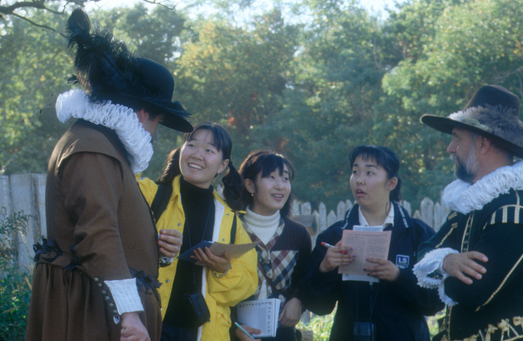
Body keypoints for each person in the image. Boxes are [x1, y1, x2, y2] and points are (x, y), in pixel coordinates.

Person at [26, 9, 192, 341]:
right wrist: (129, 314)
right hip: (92, 312)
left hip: (101, 306)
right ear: (143, 113)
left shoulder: (102, 145)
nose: (155, 133)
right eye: (157, 123)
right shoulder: (91, 147)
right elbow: (98, 233)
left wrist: (152, 245)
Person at [413, 85, 523, 341]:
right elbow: (423, 250)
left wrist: (437, 266)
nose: (450, 148)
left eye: (457, 138)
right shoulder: (471, 203)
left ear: (484, 143)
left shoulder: (517, 210)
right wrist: (446, 261)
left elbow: (473, 295)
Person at [300, 145, 444, 341]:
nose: (359, 180)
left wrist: (398, 277)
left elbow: (435, 302)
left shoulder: (419, 235)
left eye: (369, 172)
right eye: (355, 172)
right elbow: (318, 306)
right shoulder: (333, 236)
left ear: (391, 183)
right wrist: (325, 268)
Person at [138, 122, 258, 341]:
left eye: (209, 150)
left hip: (205, 333)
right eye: (191, 145)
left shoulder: (229, 219)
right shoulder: (151, 195)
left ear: (222, 165)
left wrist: (223, 269)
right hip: (148, 325)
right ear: (181, 151)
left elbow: (249, 282)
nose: (197, 155)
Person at [231, 150, 312, 341]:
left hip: (283, 334)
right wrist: (236, 327)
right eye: (271, 177)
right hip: (235, 333)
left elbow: (307, 281)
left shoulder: (298, 234)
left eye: (285, 179)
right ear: (250, 184)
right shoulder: (230, 228)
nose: (280, 186)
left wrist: (299, 301)